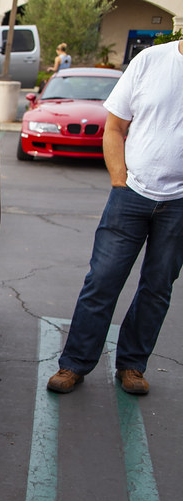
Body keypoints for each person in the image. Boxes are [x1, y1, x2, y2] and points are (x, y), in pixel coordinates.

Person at [47, 38, 183, 396]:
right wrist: (119, 179)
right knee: (102, 281)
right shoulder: (150, 61)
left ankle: (132, 366)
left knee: (157, 288)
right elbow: (114, 127)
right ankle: (74, 363)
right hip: (131, 195)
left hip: (179, 204)